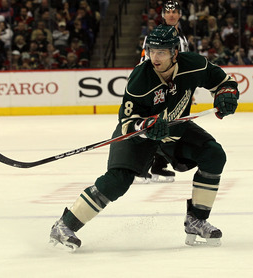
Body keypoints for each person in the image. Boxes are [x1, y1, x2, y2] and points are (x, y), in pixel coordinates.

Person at [49, 25, 239, 251]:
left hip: (173, 129)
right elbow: (126, 122)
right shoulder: (140, 79)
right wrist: (146, 125)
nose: (154, 57)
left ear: (174, 53)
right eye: (152, 51)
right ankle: (64, 225)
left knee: (214, 154)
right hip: (139, 135)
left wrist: (226, 95)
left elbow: (223, 81)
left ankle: (196, 220)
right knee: (118, 180)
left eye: (161, 52)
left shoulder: (194, 65)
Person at [138, 0, 189, 183]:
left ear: (180, 14)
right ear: (163, 15)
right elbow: (145, 62)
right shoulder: (153, 37)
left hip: (174, 90)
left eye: (175, 11)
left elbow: (184, 66)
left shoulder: (182, 39)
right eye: (168, 12)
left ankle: (158, 166)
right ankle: (141, 168)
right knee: (153, 125)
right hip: (158, 89)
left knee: (167, 126)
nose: (172, 15)